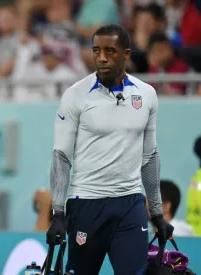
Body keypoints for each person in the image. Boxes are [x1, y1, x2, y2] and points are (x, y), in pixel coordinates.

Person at [46, 24, 174, 275]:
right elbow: (61, 157)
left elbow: (150, 157)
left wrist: (156, 212)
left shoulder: (147, 95)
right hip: (86, 205)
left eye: (110, 51)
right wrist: (58, 212)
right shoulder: (75, 95)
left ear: (126, 54)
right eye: (96, 51)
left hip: (130, 204)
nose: (101, 57)